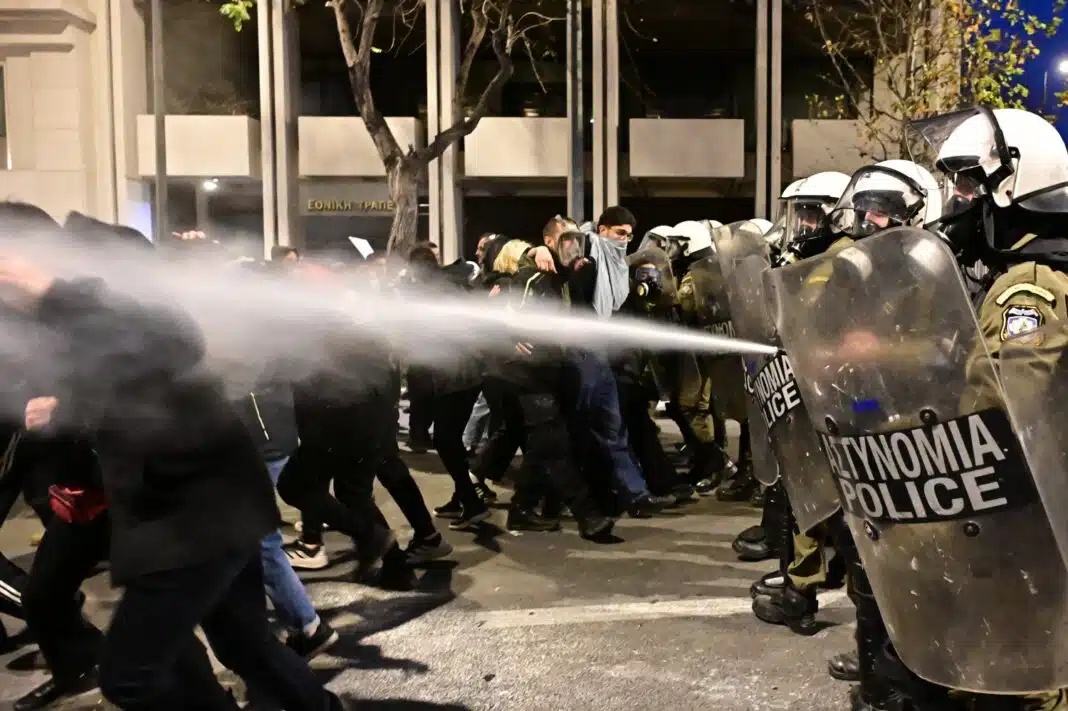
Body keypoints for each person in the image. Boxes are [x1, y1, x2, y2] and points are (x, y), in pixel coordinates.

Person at [0, 203, 347, 711]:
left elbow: (173, 339)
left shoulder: (96, 266)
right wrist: (64, 406)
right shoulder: (52, 309)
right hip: (192, 506)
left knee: (132, 677)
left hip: (193, 509)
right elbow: (122, 384)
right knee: (242, 645)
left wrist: (51, 291)